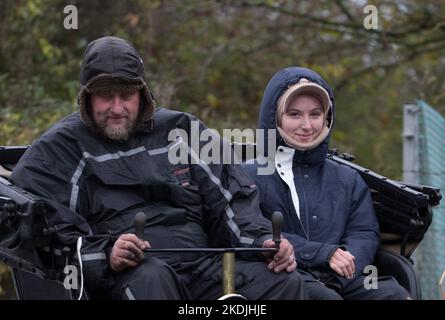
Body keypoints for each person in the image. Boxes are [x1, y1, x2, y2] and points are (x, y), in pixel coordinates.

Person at [10, 36, 306, 300]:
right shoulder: (59, 148)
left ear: (143, 94)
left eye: (126, 95)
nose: (117, 108)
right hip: (132, 275)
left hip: (206, 268)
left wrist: (262, 241)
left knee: (281, 281)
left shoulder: (183, 131)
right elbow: (44, 229)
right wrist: (106, 253)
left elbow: (232, 201)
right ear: (86, 97)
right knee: (152, 280)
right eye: (105, 96)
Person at [242, 67, 411, 300]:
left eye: (315, 114)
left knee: (393, 294)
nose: (307, 125)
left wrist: (345, 265)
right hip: (283, 276)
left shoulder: (347, 178)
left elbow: (364, 232)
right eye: (294, 114)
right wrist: (323, 254)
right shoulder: (248, 175)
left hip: (342, 277)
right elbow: (252, 232)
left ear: (327, 117)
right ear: (275, 117)